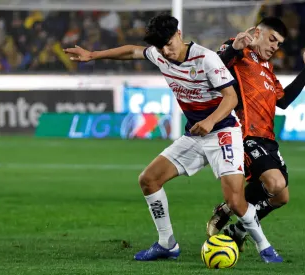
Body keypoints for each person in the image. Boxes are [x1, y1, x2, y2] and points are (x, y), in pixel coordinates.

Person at [64, 14, 282, 263]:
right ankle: (167, 244)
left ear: (179, 34)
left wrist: (210, 120)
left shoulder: (206, 58)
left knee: (235, 201)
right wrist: (93, 55)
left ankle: (265, 248)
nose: (166, 51)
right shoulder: (159, 53)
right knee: (148, 180)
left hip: (223, 132)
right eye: (160, 47)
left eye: (169, 44)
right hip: (195, 135)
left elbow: (230, 97)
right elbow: (132, 52)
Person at [206, 17, 305, 251]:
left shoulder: (268, 69)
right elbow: (212, 69)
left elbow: (284, 101)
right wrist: (234, 49)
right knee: (275, 182)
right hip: (244, 134)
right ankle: (229, 208)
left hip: (268, 139)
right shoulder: (239, 49)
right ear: (257, 32)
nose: (274, 47)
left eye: (278, 44)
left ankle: (236, 227)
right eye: (271, 39)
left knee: (281, 197)